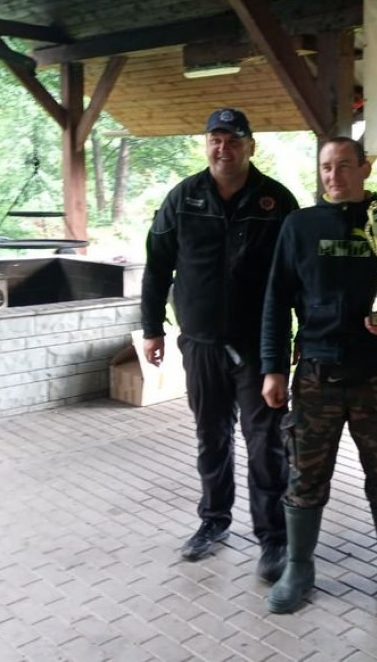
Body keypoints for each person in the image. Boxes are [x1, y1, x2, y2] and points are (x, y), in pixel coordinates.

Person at [260, 136, 377, 615]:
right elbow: (276, 300)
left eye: (343, 166)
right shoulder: (298, 226)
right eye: (325, 168)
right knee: (305, 476)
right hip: (316, 375)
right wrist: (272, 368)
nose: (333, 176)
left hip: (376, 374)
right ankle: (300, 568)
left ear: (364, 169)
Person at [141, 108, 298, 582]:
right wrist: (152, 328)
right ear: (207, 145)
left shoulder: (276, 201)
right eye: (215, 139)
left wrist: (297, 343)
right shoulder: (184, 198)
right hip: (201, 344)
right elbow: (156, 266)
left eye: (233, 140)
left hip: (257, 346)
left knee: (266, 441)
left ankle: (274, 538)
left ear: (251, 146)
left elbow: (296, 277)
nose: (222, 148)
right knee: (211, 437)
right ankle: (213, 522)